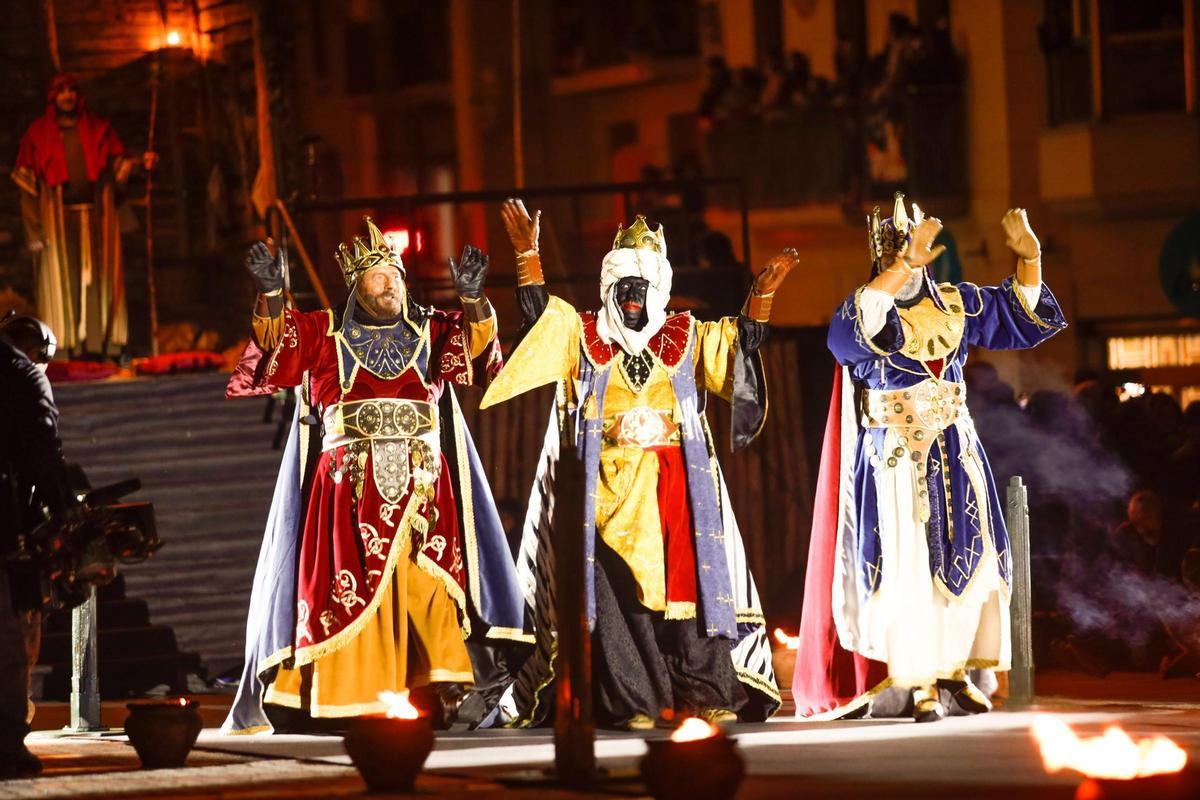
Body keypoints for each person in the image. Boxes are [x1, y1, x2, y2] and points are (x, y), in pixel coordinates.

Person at [480, 200, 799, 730]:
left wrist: (761, 295)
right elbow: (539, 319)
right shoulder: (581, 333)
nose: (631, 299)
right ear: (607, 291)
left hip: (678, 489)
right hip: (602, 493)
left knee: (692, 596)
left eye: (641, 289)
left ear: (660, 290)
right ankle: (635, 702)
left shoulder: (687, 335)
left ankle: (708, 691)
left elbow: (740, 348)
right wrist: (526, 255)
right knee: (620, 605)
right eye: (621, 288)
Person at [222, 219, 529, 734]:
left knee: (427, 589)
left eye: (397, 274)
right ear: (355, 285)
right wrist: (272, 293)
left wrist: (475, 301)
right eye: (379, 276)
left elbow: (483, 362)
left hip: (424, 491)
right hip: (347, 492)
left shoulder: (432, 329)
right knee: (349, 589)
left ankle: (429, 693)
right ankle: (351, 699)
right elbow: (270, 361)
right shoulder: (323, 333)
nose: (392, 283)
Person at [793, 195, 1067, 722]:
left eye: (917, 247)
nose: (914, 257)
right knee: (909, 568)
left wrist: (1030, 259)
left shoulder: (955, 302)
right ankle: (917, 682)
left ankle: (955, 671)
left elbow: (1020, 318)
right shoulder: (869, 305)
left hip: (956, 450)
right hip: (896, 458)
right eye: (900, 248)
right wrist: (903, 267)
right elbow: (850, 339)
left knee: (966, 561)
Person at [13, 74, 156, 359]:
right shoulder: (37, 134)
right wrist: (35, 232)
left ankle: (103, 346)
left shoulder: (98, 129)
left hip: (97, 218)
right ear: (53, 98)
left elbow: (120, 167)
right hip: (57, 219)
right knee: (59, 284)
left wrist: (141, 163)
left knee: (100, 283)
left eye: (72, 91)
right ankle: (64, 347)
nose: (67, 96)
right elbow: (27, 188)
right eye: (61, 92)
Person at [0, 314, 68, 777]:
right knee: (8, 640)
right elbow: (44, 451)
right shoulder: (24, 376)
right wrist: (65, 512)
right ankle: (5, 747)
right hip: (3, 526)